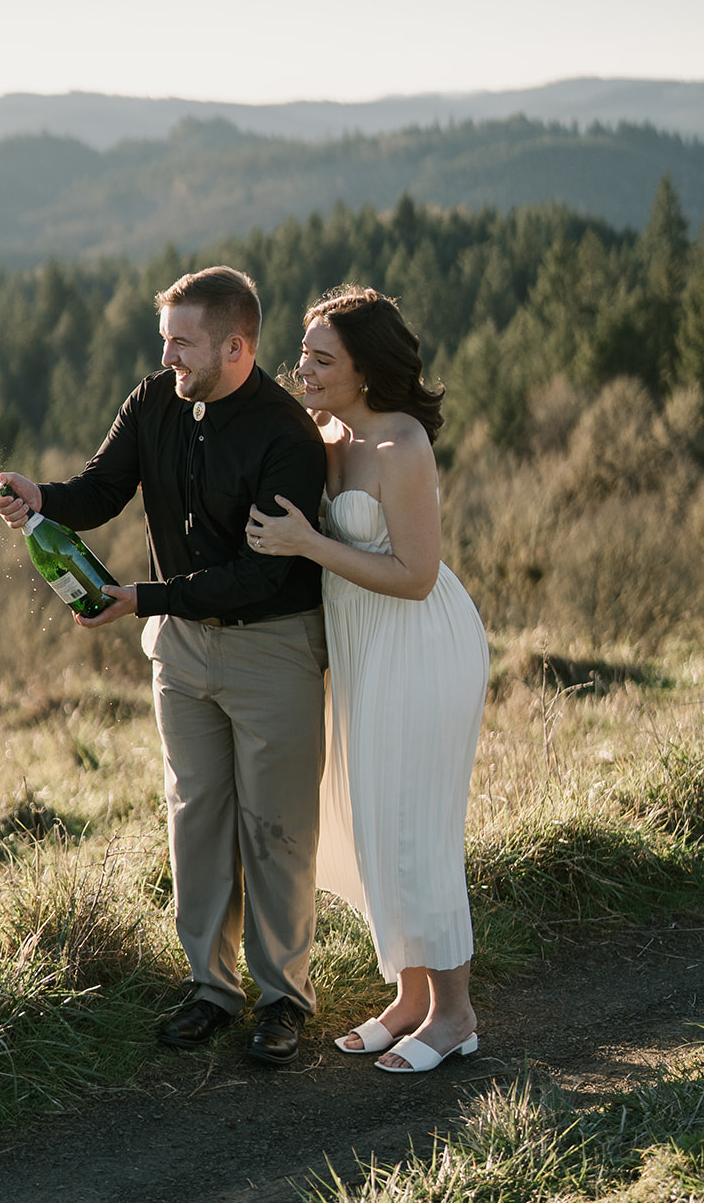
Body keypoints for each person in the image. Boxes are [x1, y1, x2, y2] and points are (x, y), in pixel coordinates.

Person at [0, 266, 328, 1065]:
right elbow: (103, 489)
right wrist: (36, 496)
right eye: (164, 340)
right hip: (179, 649)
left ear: (236, 346)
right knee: (196, 815)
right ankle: (211, 989)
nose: (167, 355)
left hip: (271, 644)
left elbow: (263, 572)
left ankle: (283, 999)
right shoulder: (153, 400)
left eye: (182, 342)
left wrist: (141, 596)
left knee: (275, 827)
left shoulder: (288, 437)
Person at [246, 285, 489, 1075]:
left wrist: (306, 544)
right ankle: (408, 999)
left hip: (420, 647)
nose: (303, 369)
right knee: (377, 822)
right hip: (361, 651)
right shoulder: (323, 433)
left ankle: (454, 1016)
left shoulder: (400, 446)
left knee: (417, 829)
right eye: (303, 354)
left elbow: (416, 575)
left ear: (365, 368)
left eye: (322, 358)